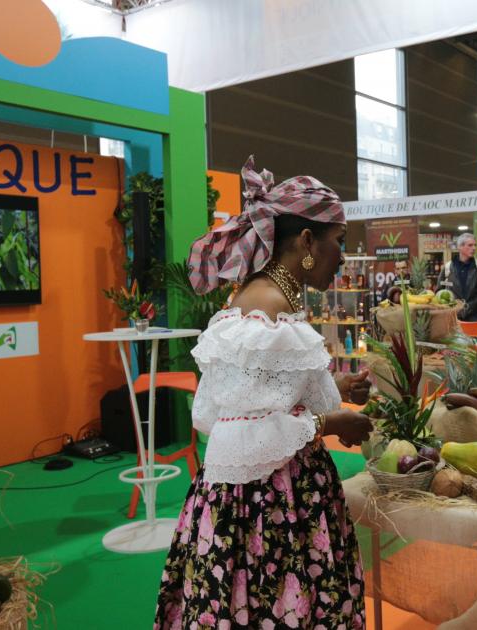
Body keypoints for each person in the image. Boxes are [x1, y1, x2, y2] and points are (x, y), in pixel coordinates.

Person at [155, 156, 374, 629]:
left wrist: (331, 388)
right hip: (269, 511)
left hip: (254, 501)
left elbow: (246, 400)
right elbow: (233, 433)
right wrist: (330, 422)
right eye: (340, 242)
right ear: (307, 241)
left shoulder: (258, 302)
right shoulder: (269, 314)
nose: (343, 256)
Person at [438, 232, 477, 338]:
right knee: (456, 350)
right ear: (460, 247)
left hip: (475, 316)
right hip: (454, 318)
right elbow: (439, 292)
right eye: (470, 245)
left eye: (475, 245)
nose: (474, 248)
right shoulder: (448, 268)